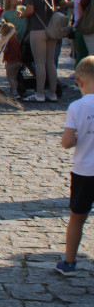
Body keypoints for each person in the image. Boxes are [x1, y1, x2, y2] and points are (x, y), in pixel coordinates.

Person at [59, 54, 94, 276]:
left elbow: (67, 141)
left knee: (78, 216)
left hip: (85, 170)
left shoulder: (77, 107)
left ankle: (70, 261)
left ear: (79, 82)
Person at [19, 0, 69, 103]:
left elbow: (30, 10)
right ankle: (53, 93)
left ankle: (40, 93)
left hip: (37, 28)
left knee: (40, 63)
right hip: (51, 29)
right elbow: (64, 2)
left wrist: (21, 15)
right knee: (50, 63)